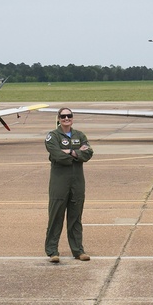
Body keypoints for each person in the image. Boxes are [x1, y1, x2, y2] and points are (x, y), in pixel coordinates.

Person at [44, 107, 94, 263]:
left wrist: (70, 152)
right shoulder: (52, 136)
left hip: (77, 182)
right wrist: (77, 153)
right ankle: (52, 251)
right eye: (63, 116)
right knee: (56, 216)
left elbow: (88, 153)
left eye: (69, 116)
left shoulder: (80, 135)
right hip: (59, 182)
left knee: (75, 217)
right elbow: (56, 154)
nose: (66, 118)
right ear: (58, 118)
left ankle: (78, 250)